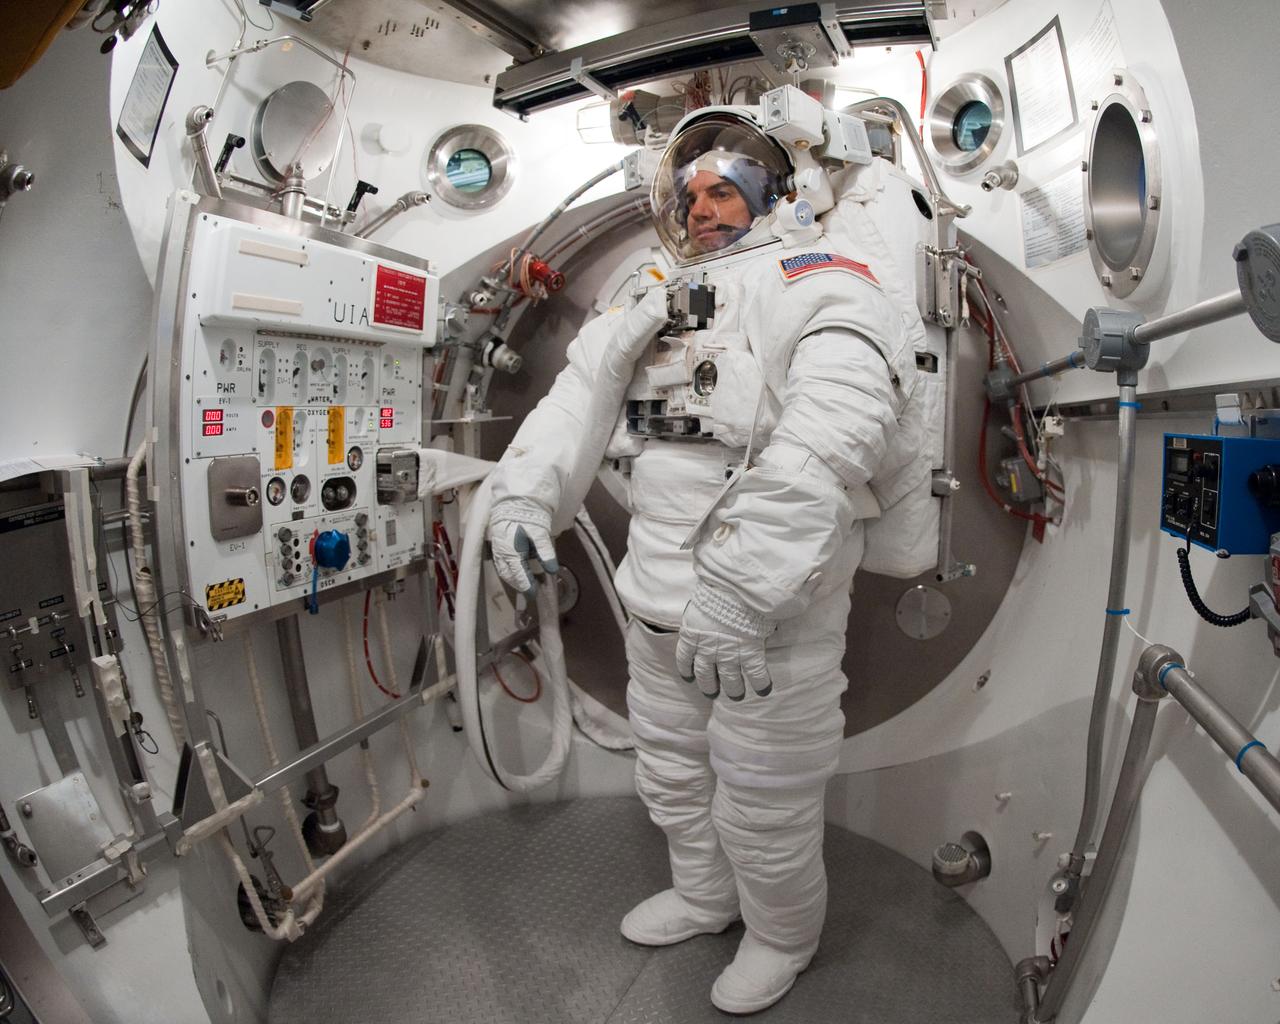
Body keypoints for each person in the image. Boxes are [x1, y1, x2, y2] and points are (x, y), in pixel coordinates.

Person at [486, 108, 914, 1013]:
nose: (703, 208)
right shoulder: (646, 295)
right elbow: (576, 402)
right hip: (656, 603)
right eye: (692, 195)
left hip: (769, 618)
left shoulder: (820, 281)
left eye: (724, 189)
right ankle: (707, 898)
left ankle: (779, 937)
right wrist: (523, 498)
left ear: (773, 195)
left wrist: (743, 588)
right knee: (674, 778)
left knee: (763, 805)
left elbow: (833, 435)